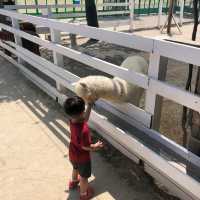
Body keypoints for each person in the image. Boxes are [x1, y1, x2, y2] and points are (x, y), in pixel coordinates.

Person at [63, 96, 103, 200]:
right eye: (84, 109)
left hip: (72, 153)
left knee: (75, 168)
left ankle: (74, 182)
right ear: (82, 112)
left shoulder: (72, 120)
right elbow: (86, 146)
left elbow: (84, 119)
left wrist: (89, 105)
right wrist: (95, 146)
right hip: (82, 158)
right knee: (84, 177)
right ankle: (84, 194)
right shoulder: (83, 130)